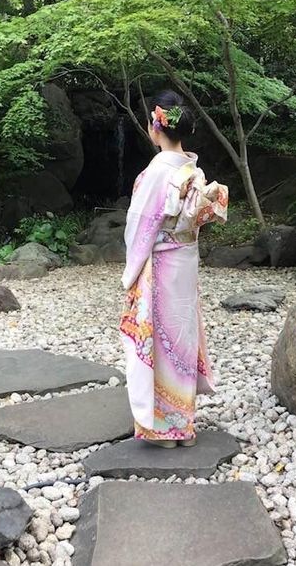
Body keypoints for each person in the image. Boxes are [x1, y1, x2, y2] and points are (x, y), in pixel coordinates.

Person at [119, 90, 229, 448]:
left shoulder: (156, 171)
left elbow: (140, 224)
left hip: (161, 264)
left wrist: (131, 270)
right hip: (186, 259)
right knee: (181, 336)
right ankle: (184, 424)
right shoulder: (192, 169)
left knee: (159, 338)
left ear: (155, 127)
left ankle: (165, 430)